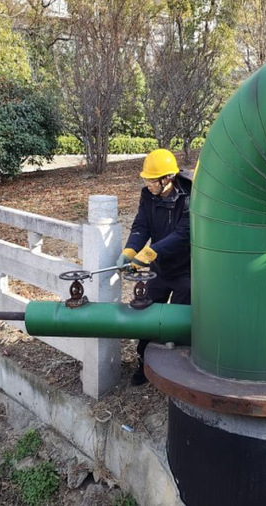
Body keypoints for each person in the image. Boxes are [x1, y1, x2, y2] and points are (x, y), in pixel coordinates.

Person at [116, 148, 192, 386]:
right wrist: (129, 251)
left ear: (167, 178)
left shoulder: (190, 197)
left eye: (151, 180)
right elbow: (141, 226)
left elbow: (183, 234)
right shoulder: (148, 195)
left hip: (186, 270)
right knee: (147, 314)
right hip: (159, 268)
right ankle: (144, 364)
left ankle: (177, 372)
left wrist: (149, 253)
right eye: (146, 180)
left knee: (178, 321)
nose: (147, 184)